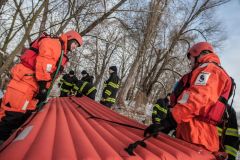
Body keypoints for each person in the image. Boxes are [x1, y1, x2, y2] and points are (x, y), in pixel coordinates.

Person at [144, 42, 234, 155]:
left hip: (199, 136)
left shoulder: (211, 70)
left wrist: (170, 120)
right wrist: (169, 124)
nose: (190, 62)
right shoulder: (201, 71)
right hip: (189, 132)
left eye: (191, 58)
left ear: (198, 54)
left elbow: (197, 98)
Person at [0, 30, 83, 142]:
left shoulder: (60, 51)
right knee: (11, 114)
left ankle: (7, 143)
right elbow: (44, 65)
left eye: (77, 46)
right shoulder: (53, 44)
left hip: (33, 87)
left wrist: (43, 89)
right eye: (75, 44)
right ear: (69, 38)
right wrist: (43, 87)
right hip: (24, 83)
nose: (74, 47)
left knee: (24, 116)